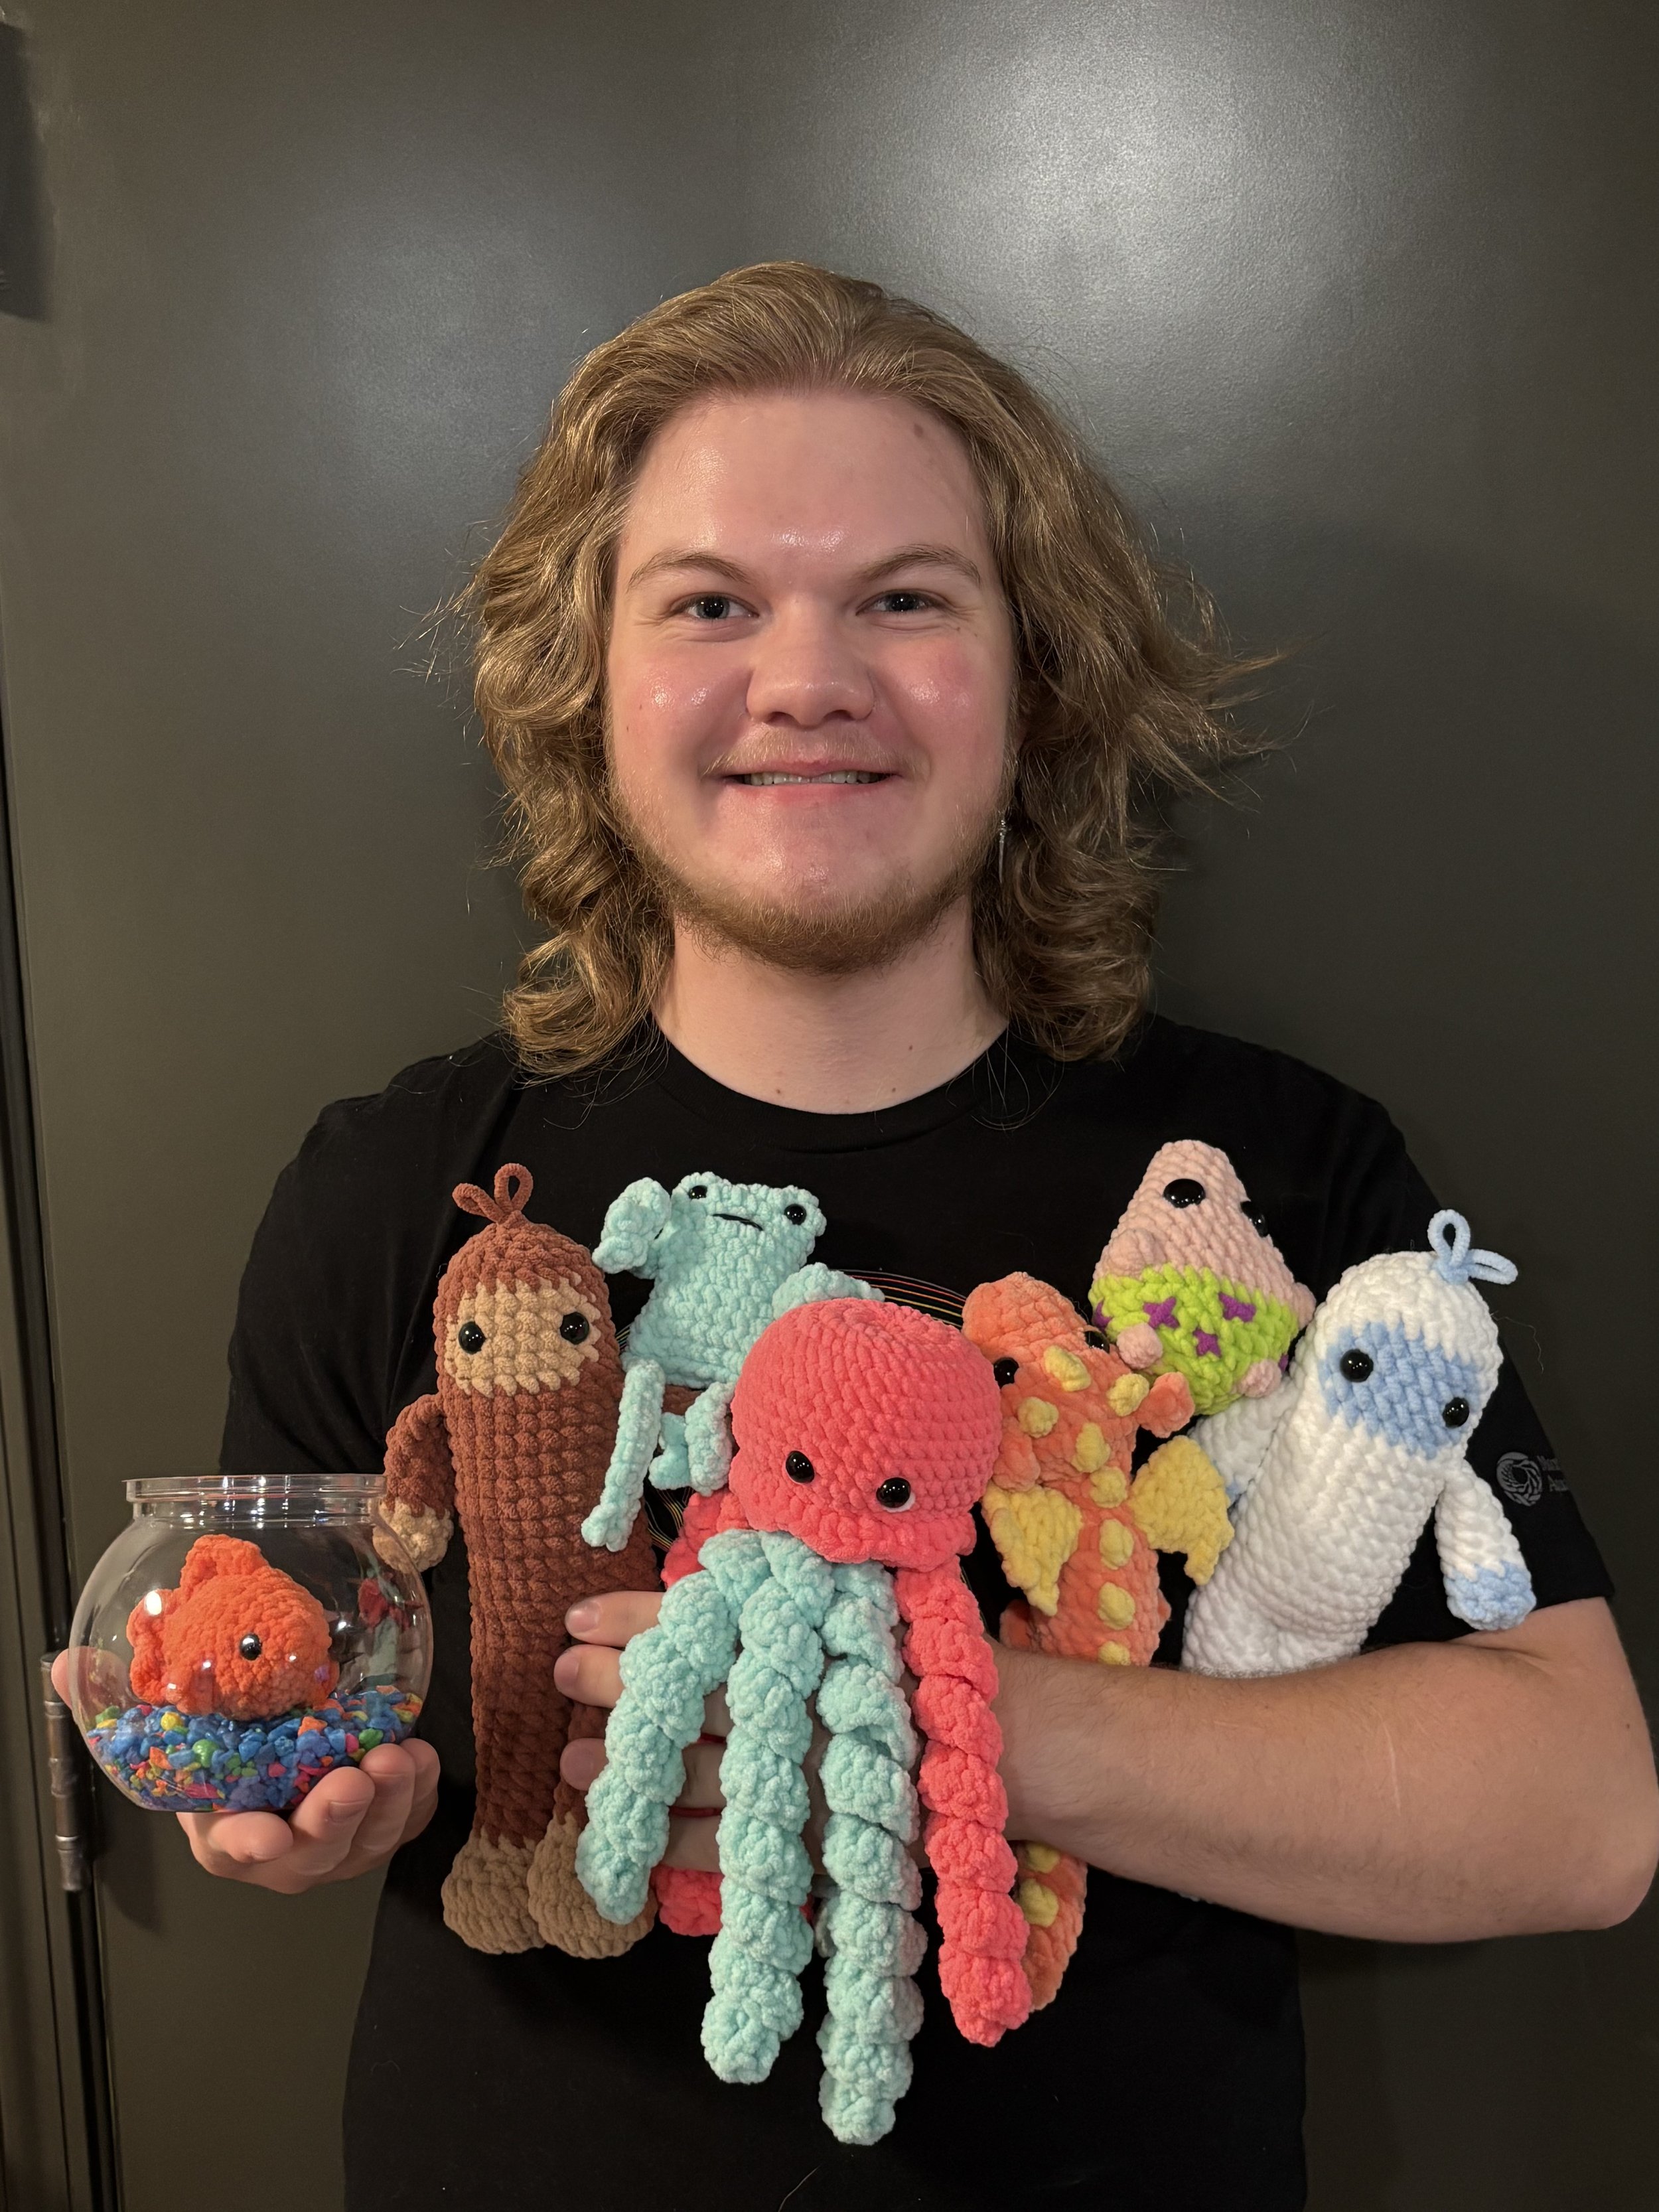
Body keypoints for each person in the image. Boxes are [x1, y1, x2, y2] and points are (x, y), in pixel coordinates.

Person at [201, 264, 1654, 2209]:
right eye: (709, 604)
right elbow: (280, 1679)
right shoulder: (404, 1192)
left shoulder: (1267, 1186)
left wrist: (947, 1720)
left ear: (1032, 673)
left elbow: (1578, 1817)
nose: (807, 679)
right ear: (586, 681)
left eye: (903, 598)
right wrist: (286, 1797)